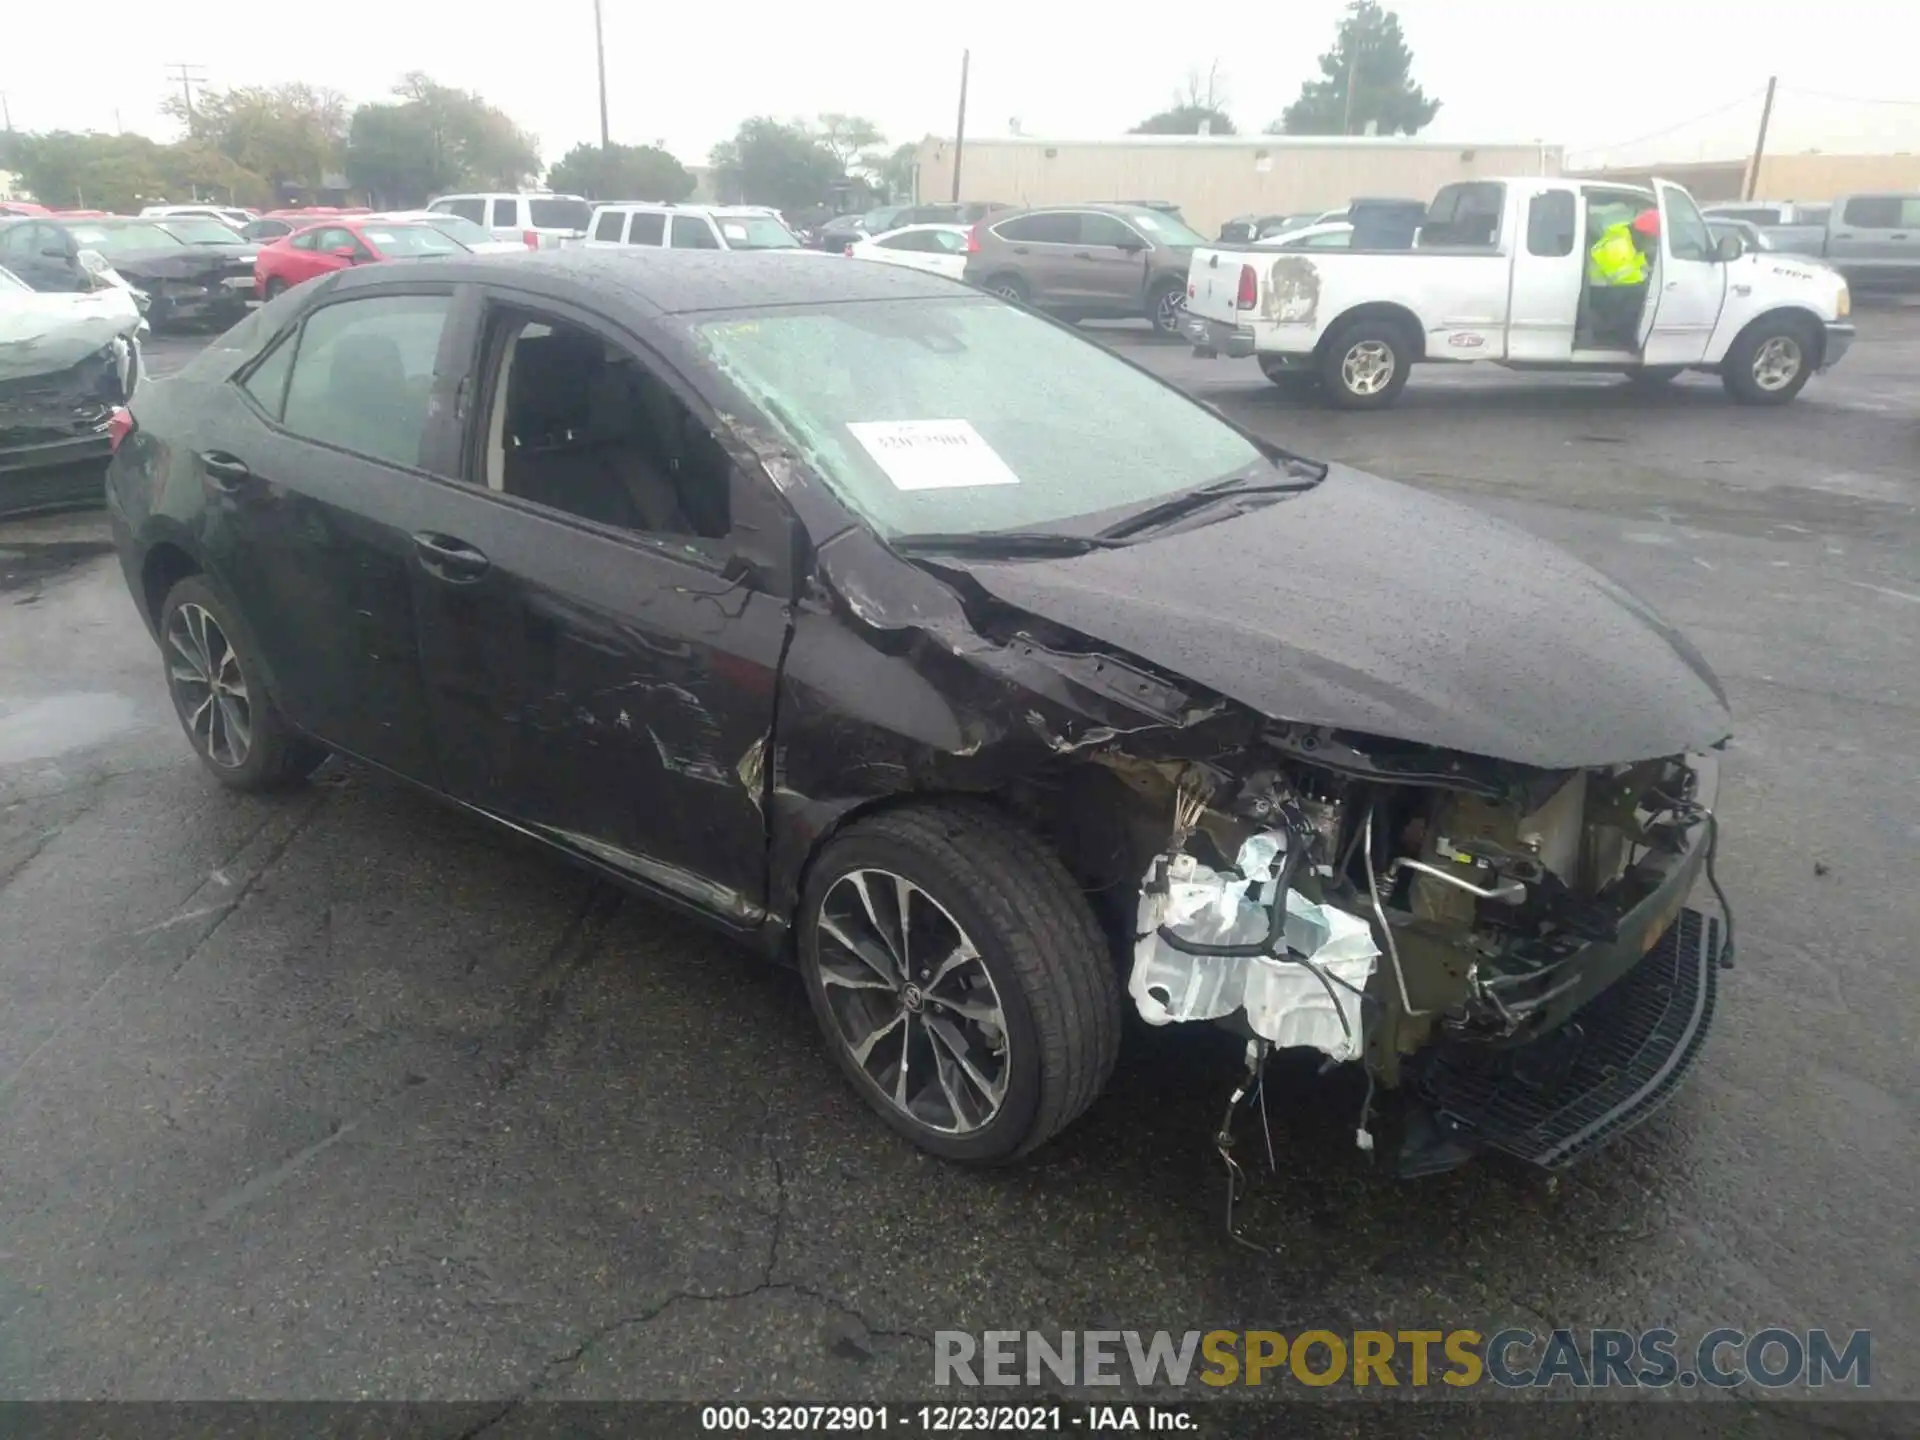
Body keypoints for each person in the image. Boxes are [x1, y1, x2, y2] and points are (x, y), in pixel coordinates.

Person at [1587, 208, 1658, 346]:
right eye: (1652, 240)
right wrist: (1651, 279)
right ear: (1644, 235)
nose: (1652, 244)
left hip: (1609, 289)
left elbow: (1636, 267)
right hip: (1597, 292)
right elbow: (1626, 279)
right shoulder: (1618, 246)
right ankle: (1622, 339)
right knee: (1641, 294)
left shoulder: (1630, 241)